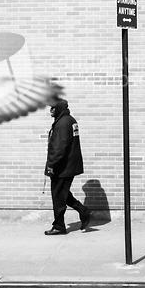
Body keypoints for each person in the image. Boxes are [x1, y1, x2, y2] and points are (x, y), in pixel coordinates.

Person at [44, 99, 91, 235]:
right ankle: (83, 211)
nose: (51, 110)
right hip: (67, 166)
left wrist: (51, 166)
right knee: (63, 193)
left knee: (58, 196)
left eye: (53, 107)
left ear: (58, 108)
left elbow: (60, 148)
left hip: (63, 167)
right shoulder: (69, 120)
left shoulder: (63, 124)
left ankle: (59, 226)